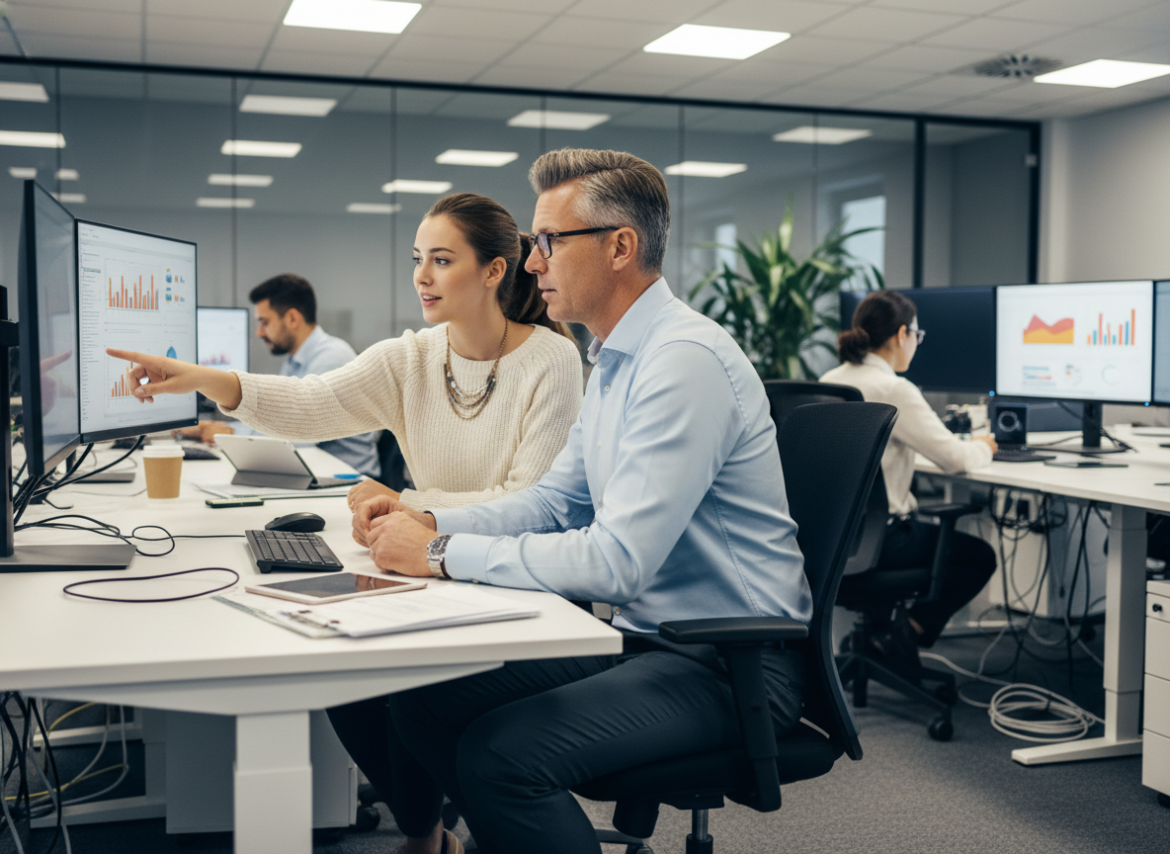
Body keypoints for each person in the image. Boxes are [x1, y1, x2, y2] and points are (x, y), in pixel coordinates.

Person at [347, 148, 812, 854]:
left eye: (548, 243)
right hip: (648, 640)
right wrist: (429, 520)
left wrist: (438, 554)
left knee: (501, 760)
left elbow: (617, 562)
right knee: (419, 700)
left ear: (620, 246)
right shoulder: (619, 359)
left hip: (729, 663)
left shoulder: (681, 363)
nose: (532, 264)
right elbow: (555, 502)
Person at [107, 192, 585, 854]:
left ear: (495, 271)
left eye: (441, 260)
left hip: (515, 582)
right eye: (417, 259)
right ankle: (427, 834)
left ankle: (437, 835)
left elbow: (528, 498)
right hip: (428, 567)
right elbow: (309, 404)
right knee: (348, 683)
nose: (421, 275)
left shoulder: (551, 361)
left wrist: (413, 502)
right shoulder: (413, 356)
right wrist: (195, 377)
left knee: (406, 692)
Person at [821, 288, 999, 654]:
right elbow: (954, 459)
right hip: (883, 542)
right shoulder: (894, 388)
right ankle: (907, 633)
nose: (917, 343)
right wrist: (985, 445)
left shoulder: (828, 382)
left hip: (829, 541)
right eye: (917, 336)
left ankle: (886, 637)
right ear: (902, 334)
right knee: (979, 557)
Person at [181, 274, 382, 479]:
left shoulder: (331, 358)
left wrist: (229, 434)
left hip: (350, 481)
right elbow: (278, 420)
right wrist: (223, 428)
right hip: (318, 471)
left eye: (264, 322)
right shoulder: (296, 358)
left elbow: (298, 434)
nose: (259, 332)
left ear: (293, 319)